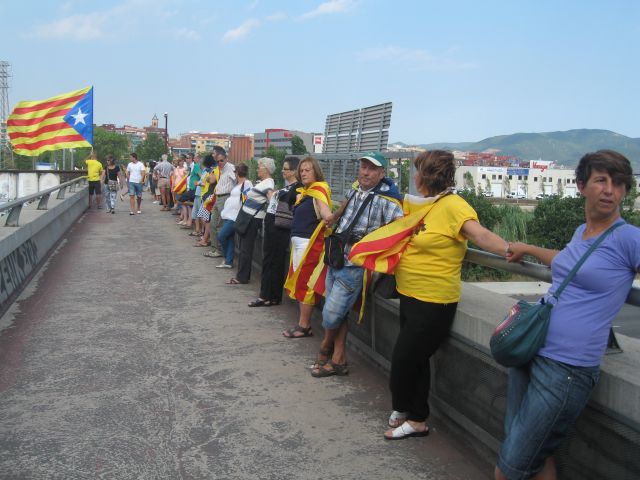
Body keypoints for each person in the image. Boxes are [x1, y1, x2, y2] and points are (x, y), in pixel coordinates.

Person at [494, 150, 640, 480]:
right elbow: (566, 261)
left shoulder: (630, 238)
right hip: (531, 351)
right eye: (601, 180)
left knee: (509, 468)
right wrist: (528, 249)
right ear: (581, 186)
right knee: (536, 456)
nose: (610, 190)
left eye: (618, 183)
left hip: (567, 368)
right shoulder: (581, 233)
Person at [348, 150, 513, 440]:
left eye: (417, 172)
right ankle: (412, 413)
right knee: (418, 358)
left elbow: (481, 236)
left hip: (434, 300)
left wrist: (513, 251)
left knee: (404, 359)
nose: (414, 177)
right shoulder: (420, 204)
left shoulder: (454, 206)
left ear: (426, 176)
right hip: (409, 293)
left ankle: (412, 415)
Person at [309, 152, 404, 377]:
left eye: (372, 169)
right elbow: (344, 208)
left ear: (382, 173)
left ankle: (325, 347)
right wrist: (333, 217)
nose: (365, 172)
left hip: (355, 263)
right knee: (338, 311)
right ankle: (339, 360)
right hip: (336, 256)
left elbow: (400, 229)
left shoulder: (388, 199)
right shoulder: (355, 188)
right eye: (363, 167)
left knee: (331, 314)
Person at [282, 157, 333, 337]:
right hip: (298, 244)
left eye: (307, 170)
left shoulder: (319, 190)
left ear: (316, 171)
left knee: (305, 283)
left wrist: (330, 217)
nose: (303, 173)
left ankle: (304, 326)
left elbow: (325, 212)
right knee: (300, 281)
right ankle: (302, 324)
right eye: (301, 170)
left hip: (309, 245)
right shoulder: (305, 192)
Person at [249, 156, 301, 307]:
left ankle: (266, 296)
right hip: (274, 225)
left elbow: (292, 203)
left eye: (285, 169)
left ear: (293, 171)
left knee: (273, 261)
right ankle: (272, 296)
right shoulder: (288, 187)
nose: (282, 171)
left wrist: (275, 195)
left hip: (279, 226)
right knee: (272, 261)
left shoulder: (297, 188)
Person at [227, 157, 275, 285]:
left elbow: (272, 200)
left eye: (259, 167)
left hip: (252, 219)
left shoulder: (268, 183)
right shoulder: (264, 182)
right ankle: (242, 276)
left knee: (246, 248)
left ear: (266, 169)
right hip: (249, 218)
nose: (258, 169)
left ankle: (242, 277)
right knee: (244, 248)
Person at [216, 163, 252, 269]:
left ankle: (226, 257)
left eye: (235, 172)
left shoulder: (247, 184)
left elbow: (246, 200)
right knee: (229, 238)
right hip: (228, 215)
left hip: (235, 217)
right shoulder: (238, 184)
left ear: (237, 173)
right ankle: (228, 261)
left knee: (221, 236)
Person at [205, 146, 237, 259]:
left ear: (226, 158)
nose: (219, 163)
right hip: (218, 198)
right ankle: (215, 249)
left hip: (225, 198)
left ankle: (220, 250)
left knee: (219, 225)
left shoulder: (231, 168)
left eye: (221, 160)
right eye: (217, 161)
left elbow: (238, 181)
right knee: (213, 224)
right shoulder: (221, 169)